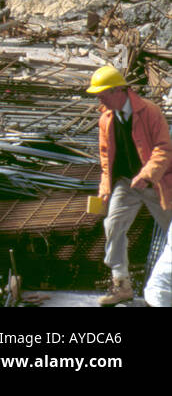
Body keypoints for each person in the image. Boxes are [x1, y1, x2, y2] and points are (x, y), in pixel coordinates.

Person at [87, 64, 172, 305]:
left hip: (156, 183)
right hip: (126, 183)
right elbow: (105, 157)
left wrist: (147, 174)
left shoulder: (150, 112)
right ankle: (121, 284)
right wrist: (105, 190)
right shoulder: (106, 118)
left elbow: (164, 149)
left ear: (118, 91)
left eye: (102, 94)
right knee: (113, 225)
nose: (99, 99)